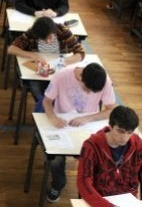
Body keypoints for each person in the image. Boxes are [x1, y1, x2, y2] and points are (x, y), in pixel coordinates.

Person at [42, 63, 117, 203]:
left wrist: (88, 118)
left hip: (88, 125)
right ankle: (58, 183)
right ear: (81, 78)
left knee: (100, 153)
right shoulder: (61, 76)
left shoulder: (104, 80)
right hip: (62, 122)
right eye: (87, 89)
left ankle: (93, 187)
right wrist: (52, 117)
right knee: (56, 157)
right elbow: (47, 101)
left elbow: (111, 109)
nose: (88, 93)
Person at [77, 106, 142, 207]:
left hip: (129, 199)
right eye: (120, 131)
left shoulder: (137, 143)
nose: (124, 138)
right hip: (100, 199)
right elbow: (83, 181)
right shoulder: (91, 146)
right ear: (111, 126)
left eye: (129, 133)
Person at [7, 17, 85, 112]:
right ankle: (45, 107)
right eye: (44, 39)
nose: (48, 41)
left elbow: (80, 53)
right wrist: (32, 55)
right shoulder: (32, 33)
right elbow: (11, 49)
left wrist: (65, 61)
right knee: (41, 93)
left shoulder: (63, 31)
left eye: (50, 37)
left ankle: (52, 108)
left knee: (66, 92)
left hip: (59, 71)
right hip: (40, 74)